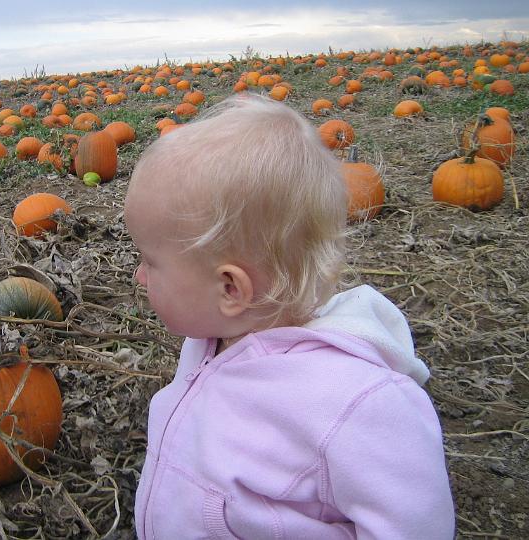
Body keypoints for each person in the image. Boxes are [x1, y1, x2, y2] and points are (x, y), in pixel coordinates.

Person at [123, 94, 455, 539]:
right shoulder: (212, 338)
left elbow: (417, 527)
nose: (138, 276)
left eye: (149, 260)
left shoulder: (356, 406)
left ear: (230, 289)